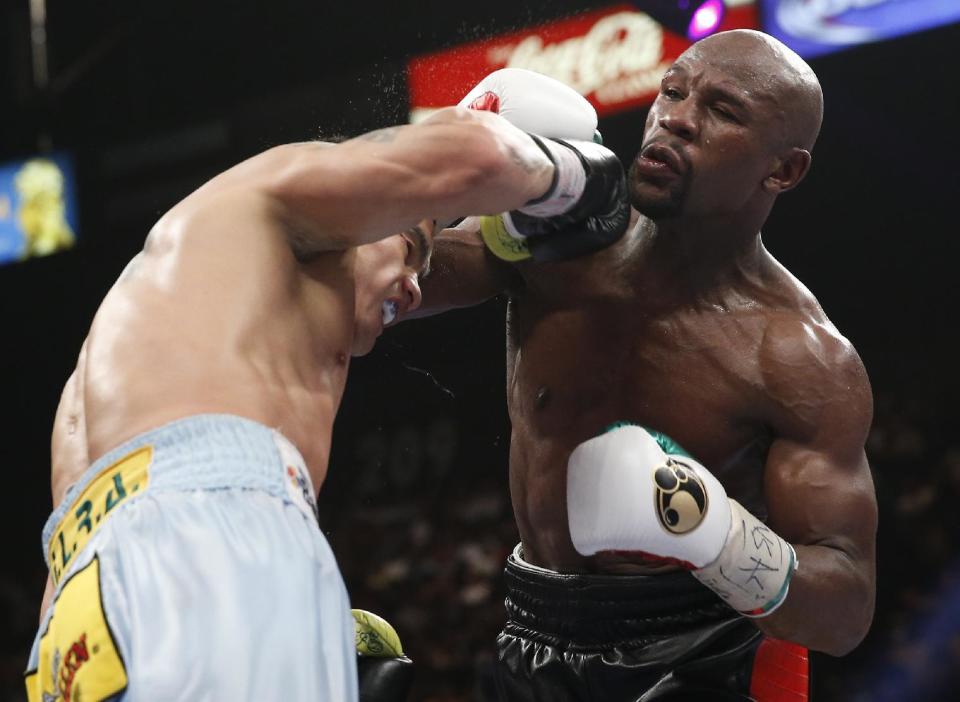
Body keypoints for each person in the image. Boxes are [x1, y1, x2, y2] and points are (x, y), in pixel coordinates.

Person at [23, 105, 629, 702]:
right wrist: (575, 178)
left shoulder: (156, 331)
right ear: (353, 210)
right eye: (412, 245)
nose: (416, 283)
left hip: (71, 614)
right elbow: (481, 154)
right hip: (209, 534)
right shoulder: (269, 193)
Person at [412, 30, 877, 700]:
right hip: (527, 633)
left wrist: (709, 532)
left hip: (697, 656)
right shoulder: (560, 237)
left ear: (783, 171)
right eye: (673, 90)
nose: (676, 118)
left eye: (723, 110)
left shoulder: (799, 357)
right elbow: (387, 287)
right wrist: (440, 173)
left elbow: (846, 609)